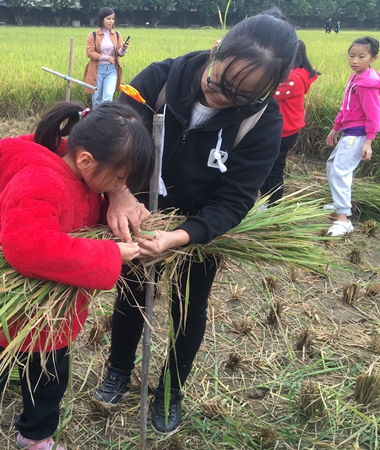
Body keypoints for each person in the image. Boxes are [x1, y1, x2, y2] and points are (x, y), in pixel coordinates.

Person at [93, 8, 298, 435]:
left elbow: (236, 200)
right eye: (219, 82)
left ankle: (170, 389)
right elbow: (107, 135)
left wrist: (179, 237)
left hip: (200, 229)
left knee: (189, 307)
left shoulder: (263, 122)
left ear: (266, 91)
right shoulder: (160, 80)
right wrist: (119, 191)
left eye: (240, 96)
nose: (223, 97)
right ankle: (119, 370)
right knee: (131, 294)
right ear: (215, 49)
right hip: (140, 212)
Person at [0, 101, 154, 450]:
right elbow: (28, 248)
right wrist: (110, 253)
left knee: (49, 381)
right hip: (9, 308)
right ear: (86, 160)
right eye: (120, 178)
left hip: (54, 313)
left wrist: (119, 213)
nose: (121, 186)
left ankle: (35, 435)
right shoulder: (39, 180)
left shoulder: (85, 177)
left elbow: (83, 217)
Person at [325, 37, 380, 237]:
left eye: (362, 56)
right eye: (352, 56)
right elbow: (346, 106)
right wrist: (336, 128)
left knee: (340, 171)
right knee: (333, 165)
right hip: (348, 131)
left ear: (373, 58)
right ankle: (339, 204)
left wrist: (369, 142)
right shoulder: (357, 77)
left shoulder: (367, 83)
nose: (355, 61)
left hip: (358, 134)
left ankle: (343, 220)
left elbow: (373, 114)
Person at [260, 40, 319, 206]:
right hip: (286, 128)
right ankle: (268, 202)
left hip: (282, 130)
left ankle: (271, 204)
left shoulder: (292, 78)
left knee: (272, 169)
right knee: (271, 167)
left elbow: (266, 94)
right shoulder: (300, 74)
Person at [83, 7, 129, 108]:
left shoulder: (116, 34)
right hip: (97, 70)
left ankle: (105, 122)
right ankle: (96, 122)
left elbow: (119, 53)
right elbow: (89, 52)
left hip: (112, 70)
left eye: (112, 19)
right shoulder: (93, 34)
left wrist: (124, 49)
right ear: (101, 19)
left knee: (108, 98)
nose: (111, 21)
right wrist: (106, 57)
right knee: (96, 99)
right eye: (108, 19)